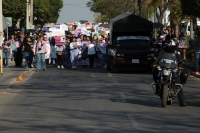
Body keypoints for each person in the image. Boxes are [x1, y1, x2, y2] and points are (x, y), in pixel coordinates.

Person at [152, 38, 186, 106]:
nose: (168, 48)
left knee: (178, 84)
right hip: (164, 68)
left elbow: (180, 60)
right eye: (167, 46)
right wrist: (155, 63)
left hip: (173, 69)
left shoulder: (176, 52)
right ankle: (158, 88)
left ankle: (182, 101)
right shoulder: (163, 51)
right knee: (156, 74)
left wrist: (180, 65)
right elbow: (158, 57)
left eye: (170, 46)